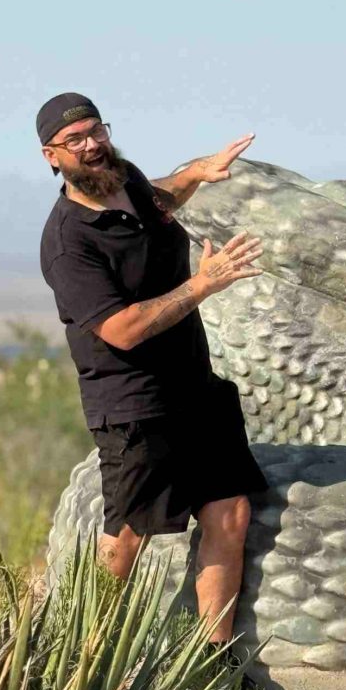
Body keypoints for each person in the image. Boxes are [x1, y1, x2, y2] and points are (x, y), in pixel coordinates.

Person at [38, 92, 267, 647]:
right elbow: (120, 329)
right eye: (76, 141)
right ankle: (76, 660)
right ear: (52, 156)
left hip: (196, 389)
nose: (92, 144)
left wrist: (197, 173)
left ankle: (211, 675)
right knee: (127, 538)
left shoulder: (126, 179)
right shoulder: (69, 242)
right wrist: (202, 284)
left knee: (229, 513)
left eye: (97, 131)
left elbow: (160, 196)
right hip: (134, 405)